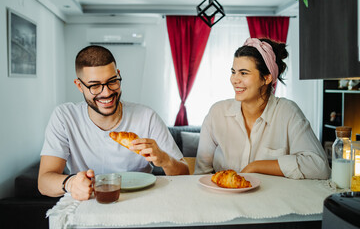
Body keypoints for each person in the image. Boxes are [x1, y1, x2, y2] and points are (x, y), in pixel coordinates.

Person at [38, 45, 189, 201]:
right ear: (79, 86)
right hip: (88, 205)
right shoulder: (64, 117)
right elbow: (44, 182)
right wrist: (71, 183)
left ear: (118, 75)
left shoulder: (147, 116)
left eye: (112, 81)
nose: (107, 92)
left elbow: (185, 175)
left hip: (140, 204)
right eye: (95, 86)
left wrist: (165, 160)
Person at [194, 38, 330, 179]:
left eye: (244, 73)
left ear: (267, 78)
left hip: (272, 200)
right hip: (222, 198)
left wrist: (256, 166)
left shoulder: (288, 112)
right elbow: (201, 173)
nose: (234, 79)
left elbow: (319, 167)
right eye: (233, 72)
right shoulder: (217, 113)